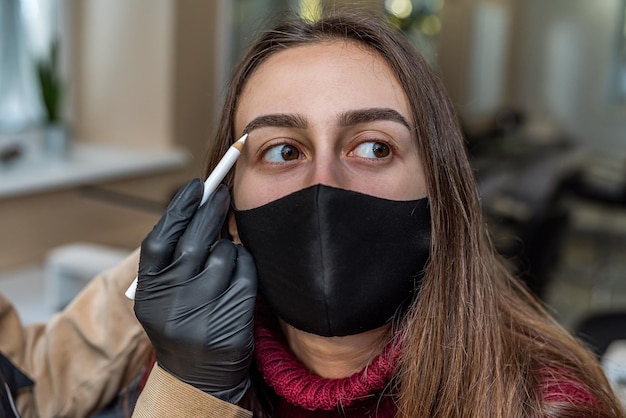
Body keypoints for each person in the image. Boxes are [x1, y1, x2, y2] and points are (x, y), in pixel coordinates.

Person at [0, 10, 624, 418]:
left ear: (442, 194)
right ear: (230, 207)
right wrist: (190, 389)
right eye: (282, 150)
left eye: (374, 147)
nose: (324, 185)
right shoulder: (170, 357)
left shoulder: (544, 405)